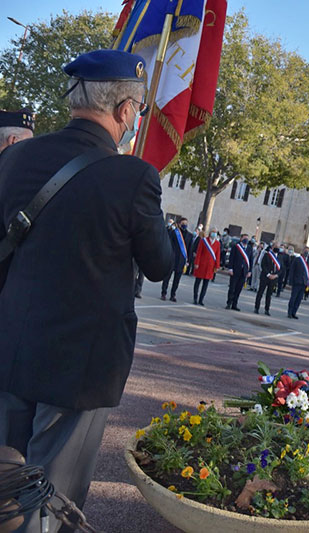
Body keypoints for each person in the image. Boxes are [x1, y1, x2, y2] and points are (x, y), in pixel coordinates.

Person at [0, 49, 173, 532]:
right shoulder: (133, 176)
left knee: (7, 488)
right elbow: (160, 264)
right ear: (124, 111)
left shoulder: (16, 157)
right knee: (54, 499)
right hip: (79, 365)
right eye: (137, 110)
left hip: (11, 348)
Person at [161, 217, 192, 301]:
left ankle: (173, 295)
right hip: (172, 258)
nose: (185, 225)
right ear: (179, 224)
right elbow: (169, 244)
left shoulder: (189, 235)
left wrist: (188, 260)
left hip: (181, 260)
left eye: (186, 223)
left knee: (177, 279)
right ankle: (164, 293)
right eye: (183, 223)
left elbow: (189, 249)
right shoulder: (174, 233)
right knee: (167, 277)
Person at [193, 228, 220, 306]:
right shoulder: (203, 241)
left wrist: (216, 266)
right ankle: (195, 298)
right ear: (210, 232)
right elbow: (199, 253)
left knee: (205, 284)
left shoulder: (217, 243)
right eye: (213, 232)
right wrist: (196, 263)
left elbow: (218, 255)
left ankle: (201, 299)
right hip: (201, 265)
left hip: (210, 267)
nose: (214, 234)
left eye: (215, 232)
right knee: (197, 282)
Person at [226, 234, 252, 311]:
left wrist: (249, 271)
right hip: (235, 270)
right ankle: (229, 303)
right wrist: (230, 268)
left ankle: (235, 304)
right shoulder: (236, 246)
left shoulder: (249, 248)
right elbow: (231, 258)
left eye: (247, 238)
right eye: (244, 238)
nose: (246, 240)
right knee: (232, 288)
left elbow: (250, 260)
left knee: (238, 289)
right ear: (241, 239)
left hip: (243, 272)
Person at [255, 244, 281, 315]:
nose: (277, 249)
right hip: (265, 277)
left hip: (273, 278)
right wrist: (268, 274)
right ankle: (256, 308)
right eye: (276, 247)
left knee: (269, 295)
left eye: (278, 248)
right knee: (260, 292)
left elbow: (281, 269)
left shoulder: (279, 257)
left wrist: (276, 275)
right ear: (272, 248)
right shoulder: (267, 255)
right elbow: (263, 265)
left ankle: (267, 309)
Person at [287, 246, 309, 319]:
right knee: (293, 298)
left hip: (304, 283)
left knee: (299, 299)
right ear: (302, 251)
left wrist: (308, 282)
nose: (306, 253)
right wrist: (290, 281)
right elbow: (292, 270)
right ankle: (290, 312)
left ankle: (294, 312)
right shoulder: (297, 259)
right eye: (305, 251)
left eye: (308, 251)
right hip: (297, 281)